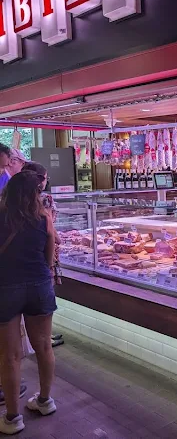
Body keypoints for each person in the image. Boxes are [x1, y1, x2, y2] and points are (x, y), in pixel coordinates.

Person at [0, 171, 58, 435]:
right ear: (34, 195)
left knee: (10, 356)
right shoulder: (44, 219)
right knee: (45, 346)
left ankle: (12, 419)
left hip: (5, 288)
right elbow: (49, 259)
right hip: (39, 286)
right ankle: (45, 401)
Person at [23, 162, 64, 348]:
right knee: (44, 296)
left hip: (23, 258)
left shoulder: (12, 198)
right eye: (46, 178)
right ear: (40, 180)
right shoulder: (45, 199)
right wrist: (57, 241)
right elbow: (50, 227)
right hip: (43, 253)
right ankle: (43, 338)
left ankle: (32, 339)